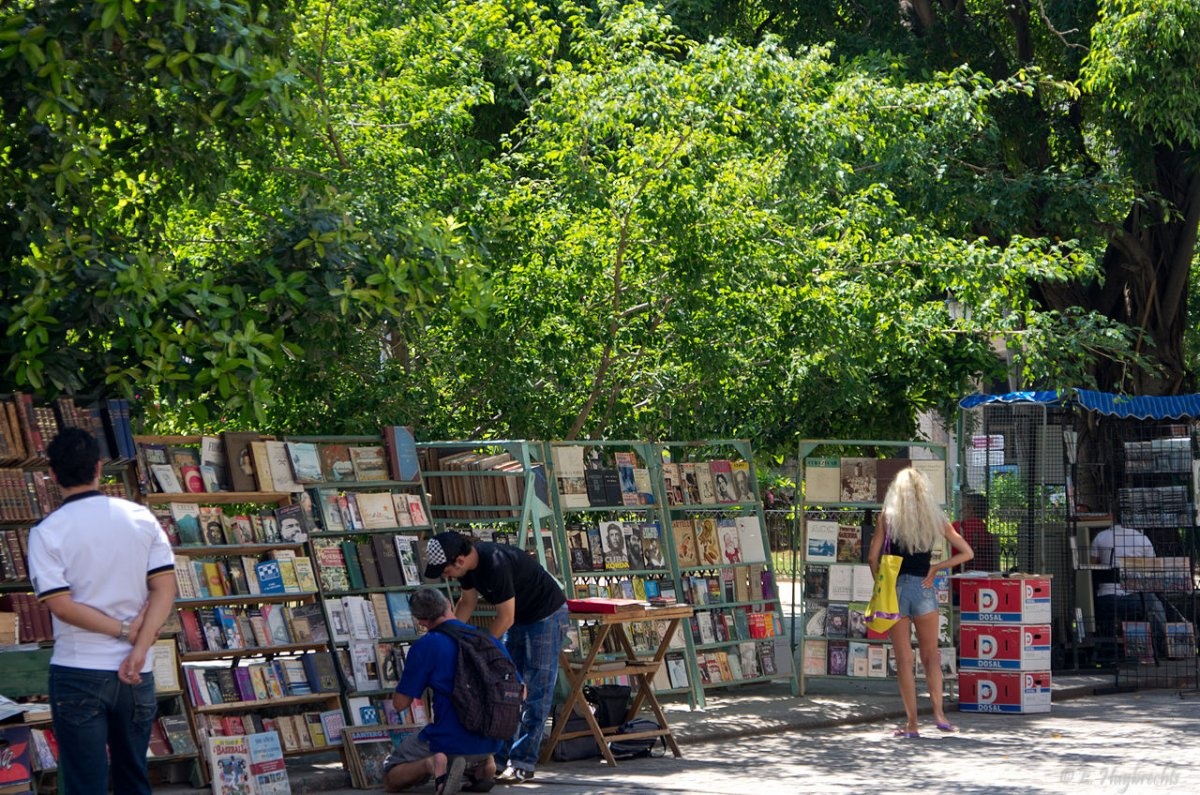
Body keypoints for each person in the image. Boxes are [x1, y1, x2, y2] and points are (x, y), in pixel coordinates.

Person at [27, 427, 177, 794]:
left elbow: (61, 606)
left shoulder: (47, 532)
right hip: (137, 669)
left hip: (78, 669)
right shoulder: (140, 518)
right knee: (134, 777)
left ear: (52, 473)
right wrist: (137, 644)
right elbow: (165, 587)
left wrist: (126, 633)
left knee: (83, 783)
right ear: (99, 467)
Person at [425, 532, 568, 784]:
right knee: (504, 689)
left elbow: (505, 618)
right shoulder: (469, 568)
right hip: (520, 618)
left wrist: (479, 648)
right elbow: (467, 602)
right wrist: (449, 636)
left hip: (545, 617)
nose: (444, 575)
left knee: (536, 691)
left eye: (444, 569)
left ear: (458, 560)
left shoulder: (495, 563)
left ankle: (523, 762)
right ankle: (498, 759)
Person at [867, 467, 973, 738]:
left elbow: (872, 558)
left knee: (904, 660)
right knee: (931, 657)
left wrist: (882, 585)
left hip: (896, 589)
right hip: (925, 588)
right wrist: (937, 568)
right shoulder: (934, 517)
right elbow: (966, 553)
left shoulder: (887, 518)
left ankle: (912, 723)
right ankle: (939, 714)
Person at [384, 588, 509, 795]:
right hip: (493, 738)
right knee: (470, 744)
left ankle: (432, 764)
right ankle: (485, 764)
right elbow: (521, 692)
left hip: (449, 738)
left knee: (391, 776)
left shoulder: (427, 645)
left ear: (422, 621)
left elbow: (400, 704)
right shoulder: (488, 640)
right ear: (449, 605)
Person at [1089, 522, 1168, 643]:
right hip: (1137, 599)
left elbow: (1092, 567)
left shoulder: (1100, 537)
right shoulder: (1142, 539)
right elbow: (1153, 569)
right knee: (1154, 604)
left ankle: (1108, 638)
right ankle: (1163, 642)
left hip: (1107, 599)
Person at [953, 493, 1000, 572]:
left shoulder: (958, 527)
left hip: (961, 574)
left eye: (962, 508)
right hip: (983, 574)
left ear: (969, 508)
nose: (960, 511)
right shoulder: (984, 530)